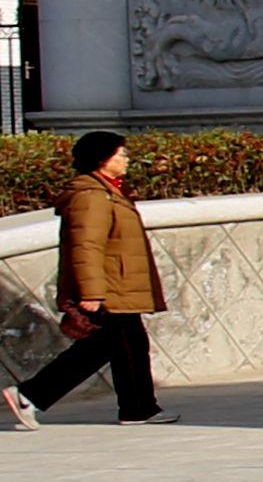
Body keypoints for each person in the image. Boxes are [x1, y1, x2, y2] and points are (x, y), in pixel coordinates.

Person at [10, 131, 167, 426]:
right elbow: (86, 247)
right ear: (102, 159)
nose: (126, 159)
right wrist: (91, 293)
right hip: (109, 287)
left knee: (128, 344)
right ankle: (29, 395)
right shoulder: (91, 196)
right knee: (104, 347)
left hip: (117, 285)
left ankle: (139, 408)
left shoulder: (107, 191)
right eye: (120, 154)